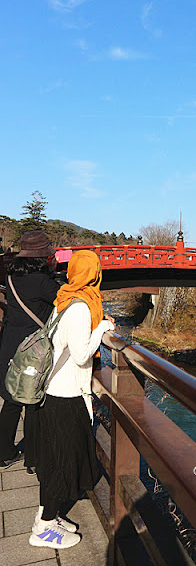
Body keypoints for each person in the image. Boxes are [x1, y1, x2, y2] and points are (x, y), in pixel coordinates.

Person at [29, 249, 115, 550]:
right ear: (95, 274)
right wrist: (102, 327)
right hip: (66, 397)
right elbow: (80, 356)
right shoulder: (80, 307)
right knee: (61, 463)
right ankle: (43, 529)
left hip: (53, 393)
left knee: (54, 460)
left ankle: (46, 517)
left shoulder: (64, 299)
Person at [0, 230, 60, 471]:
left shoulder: (12, 276)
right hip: (32, 350)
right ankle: (34, 458)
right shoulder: (44, 282)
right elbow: (64, 302)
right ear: (42, 257)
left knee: (12, 399)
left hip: (10, 344)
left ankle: (4, 452)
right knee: (34, 401)